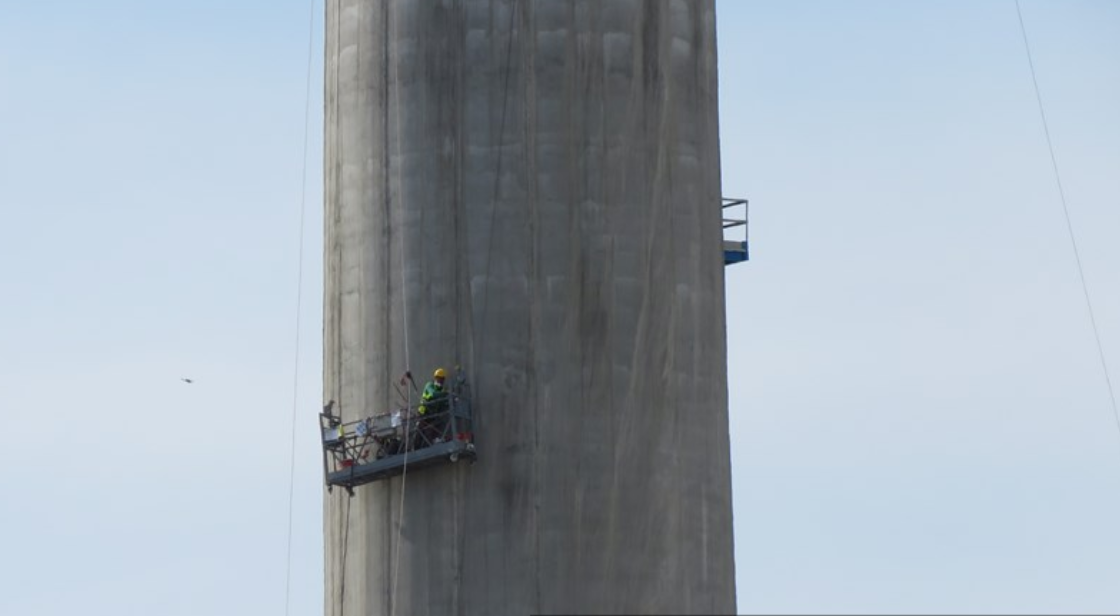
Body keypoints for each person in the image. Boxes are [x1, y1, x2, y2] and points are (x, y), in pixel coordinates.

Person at [416, 367, 449, 446]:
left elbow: (442, 403)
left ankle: (426, 447)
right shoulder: (429, 385)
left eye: (441, 379)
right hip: (423, 413)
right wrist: (446, 394)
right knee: (419, 432)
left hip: (432, 415)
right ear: (435, 378)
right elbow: (433, 394)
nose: (440, 381)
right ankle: (415, 448)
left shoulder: (441, 391)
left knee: (430, 431)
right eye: (438, 378)